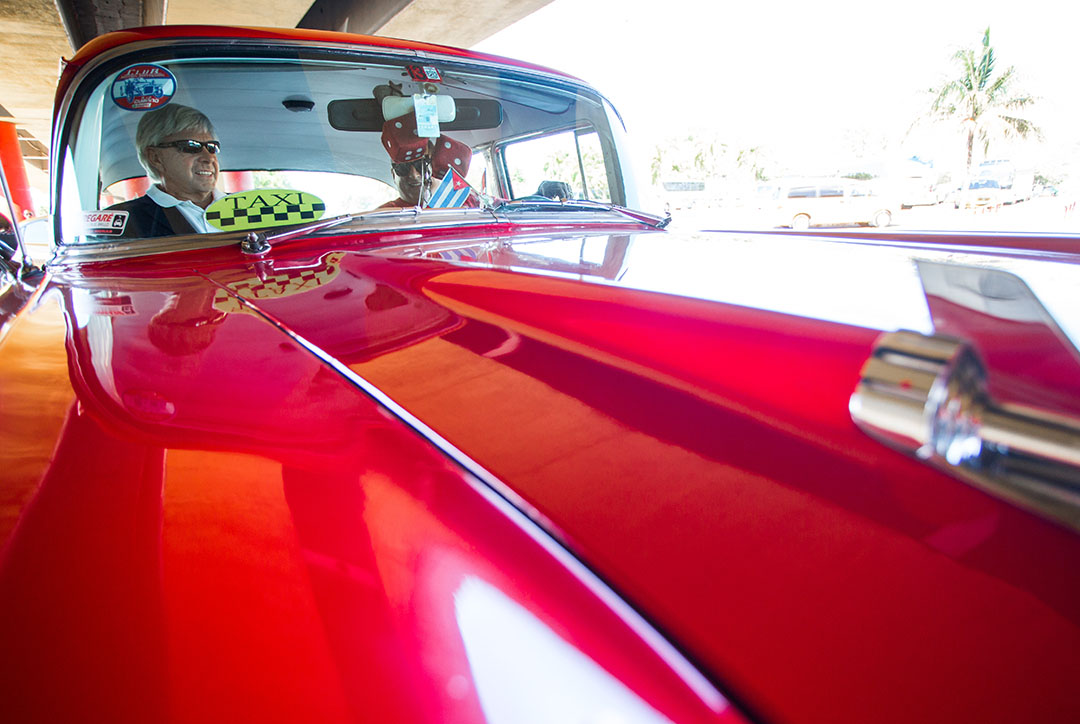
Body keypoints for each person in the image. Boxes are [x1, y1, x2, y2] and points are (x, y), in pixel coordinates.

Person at [107, 104, 224, 237]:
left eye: (212, 147)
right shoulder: (123, 222)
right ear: (155, 157)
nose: (208, 158)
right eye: (191, 146)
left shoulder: (248, 206)